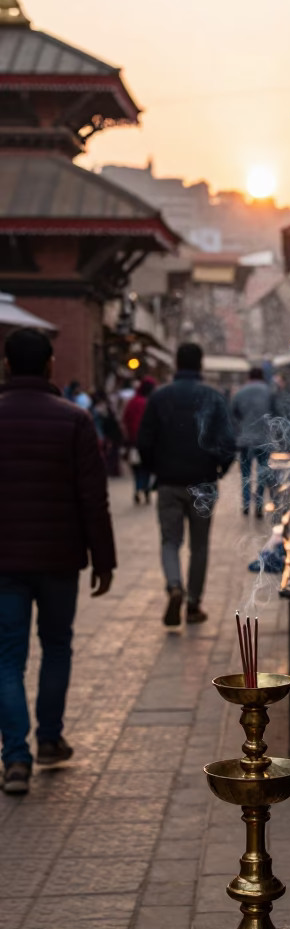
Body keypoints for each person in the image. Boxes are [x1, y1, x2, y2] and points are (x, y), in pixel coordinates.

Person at [0, 328, 116, 795]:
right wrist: (103, 559)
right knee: (57, 646)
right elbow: (94, 496)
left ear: (7, 365)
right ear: (50, 364)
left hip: (3, 561)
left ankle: (15, 759)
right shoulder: (75, 419)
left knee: (7, 657)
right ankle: (48, 740)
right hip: (59, 558)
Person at [138, 342, 236, 629]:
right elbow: (229, 443)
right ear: (201, 364)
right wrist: (218, 469)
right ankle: (193, 604)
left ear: (176, 364)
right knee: (199, 546)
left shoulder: (159, 397)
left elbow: (144, 440)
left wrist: (156, 468)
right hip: (203, 482)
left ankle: (173, 585)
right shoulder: (213, 397)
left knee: (170, 541)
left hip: (168, 482)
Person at [231, 367, 277, 519]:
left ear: (248, 377)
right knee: (262, 472)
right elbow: (275, 413)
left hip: (245, 439)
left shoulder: (241, 392)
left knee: (245, 474)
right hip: (264, 439)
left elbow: (233, 413)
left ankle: (245, 504)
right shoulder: (268, 392)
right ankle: (258, 505)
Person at [123, 377, 155, 503]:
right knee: (147, 467)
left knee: (137, 468)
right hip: (147, 442)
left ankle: (137, 489)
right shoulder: (149, 402)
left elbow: (125, 419)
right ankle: (146, 489)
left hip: (134, 441)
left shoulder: (133, 402)